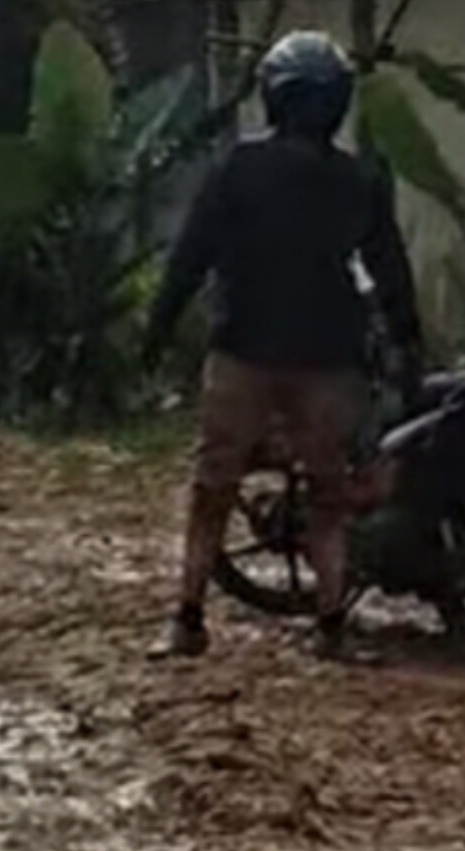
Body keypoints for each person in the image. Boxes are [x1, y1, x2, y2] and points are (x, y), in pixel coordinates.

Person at [139, 28, 425, 661]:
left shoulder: (239, 168)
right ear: (338, 103)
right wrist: (409, 348)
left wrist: (156, 333)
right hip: (330, 361)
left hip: (243, 353)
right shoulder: (359, 179)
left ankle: (187, 618)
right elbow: (392, 275)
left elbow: (190, 258)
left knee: (213, 486)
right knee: (328, 497)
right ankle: (330, 625)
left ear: (273, 97)